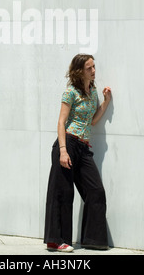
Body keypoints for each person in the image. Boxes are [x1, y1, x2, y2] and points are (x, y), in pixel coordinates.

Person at [44, 53, 112, 253]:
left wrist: (106, 102)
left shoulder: (92, 91)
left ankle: (92, 239)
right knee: (63, 194)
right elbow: (61, 122)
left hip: (83, 148)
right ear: (79, 71)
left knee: (96, 191)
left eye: (94, 67)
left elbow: (92, 120)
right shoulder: (70, 92)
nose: (93, 70)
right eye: (89, 68)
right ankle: (57, 241)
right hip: (68, 144)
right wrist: (63, 151)